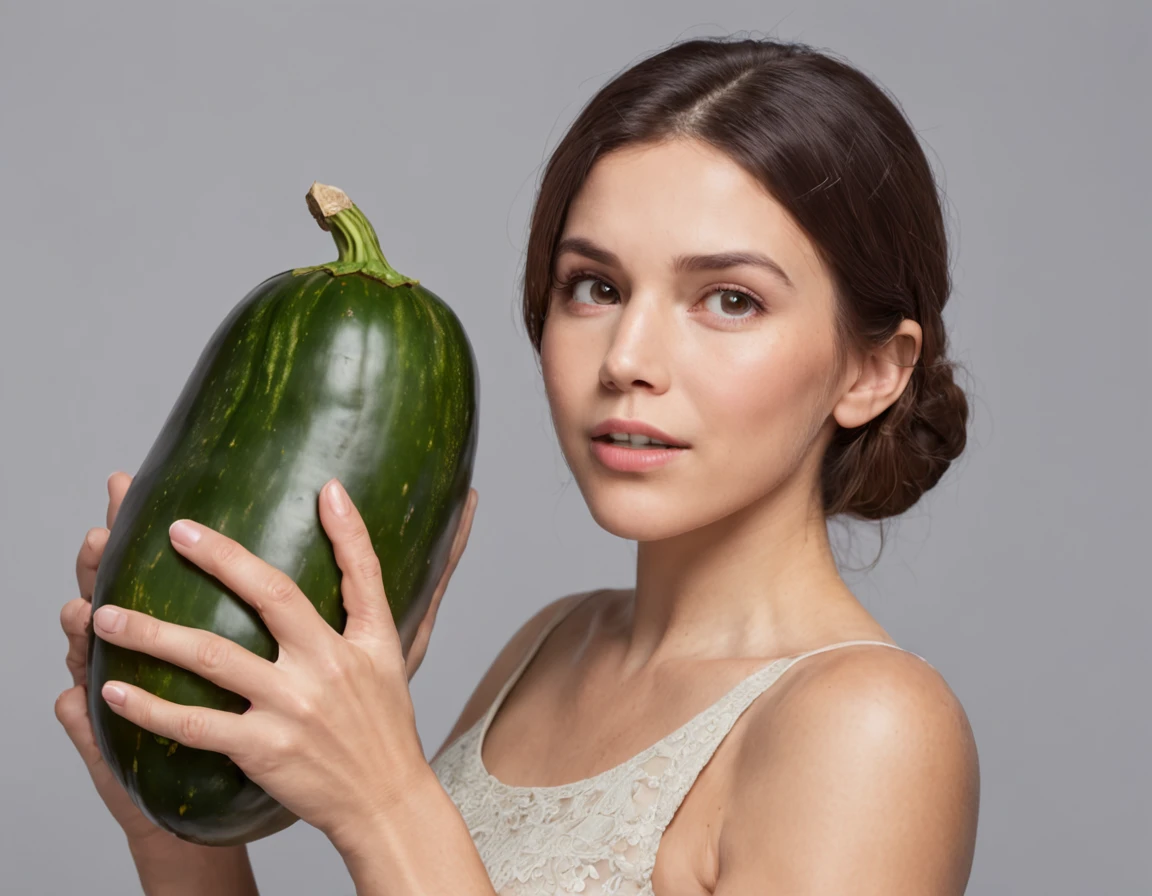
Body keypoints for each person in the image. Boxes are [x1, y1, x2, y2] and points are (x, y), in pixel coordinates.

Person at [56, 35, 978, 895]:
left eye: (729, 299)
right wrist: (175, 830)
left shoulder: (873, 726)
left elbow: (400, 844)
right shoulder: (552, 647)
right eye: (596, 287)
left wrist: (384, 804)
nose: (627, 358)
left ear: (872, 371)